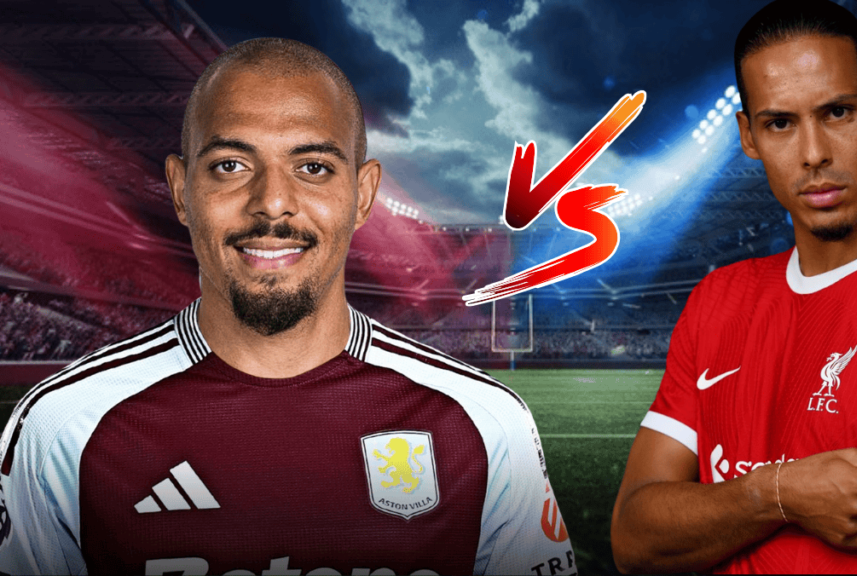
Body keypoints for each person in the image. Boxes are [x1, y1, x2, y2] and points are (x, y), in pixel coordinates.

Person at [0, 38, 574, 576]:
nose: (273, 203)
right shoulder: (62, 428)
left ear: (363, 195)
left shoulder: (486, 423)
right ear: (180, 191)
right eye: (230, 164)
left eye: (314, 167)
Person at [611, 1, 857, 573]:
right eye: (780, 123)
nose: (813, 155)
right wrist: (780, 493)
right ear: (749, 137)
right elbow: (634, 540)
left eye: (837, 112)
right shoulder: (719, 298)